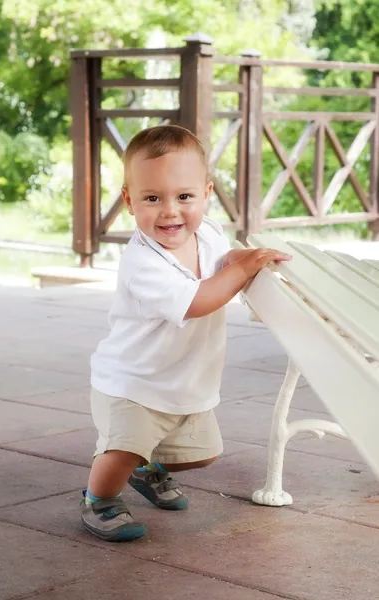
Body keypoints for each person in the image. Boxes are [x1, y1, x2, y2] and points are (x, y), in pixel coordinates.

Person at [81, 124, 291, 542]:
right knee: (122, 448)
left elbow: (222, 257)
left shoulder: (207, 232)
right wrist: (243, 270)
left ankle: (144, 468)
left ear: (206, 194)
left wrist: (241, 256)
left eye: (184, 197)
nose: (170, 211)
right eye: (153, 198)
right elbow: (198, 300)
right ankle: (98, 499)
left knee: (204, 454)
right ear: (129, 200)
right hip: (132, 383)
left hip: (180, 381)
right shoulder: (143, 263)